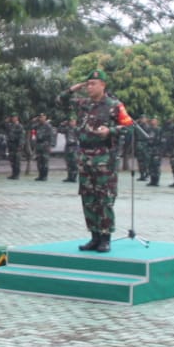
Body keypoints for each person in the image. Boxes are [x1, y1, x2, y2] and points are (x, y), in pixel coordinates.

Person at [69, 71, 133, 253]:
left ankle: (106, 238)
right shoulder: (83, 104)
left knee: (104, 198)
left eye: (93, 84)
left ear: (103, 85)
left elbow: (129, 128)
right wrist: (77, 87)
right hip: (85, 156)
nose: (89, 87)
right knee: (88, 198)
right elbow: (59, 100)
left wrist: (111, 131)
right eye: (87, 84)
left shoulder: (114, 105)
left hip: (104, 157)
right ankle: (94, 237)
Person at [30, 114, 56, 181]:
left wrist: (51, 145)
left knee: (45, 162)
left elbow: (52, 136)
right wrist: (33, 121)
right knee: (39, 162)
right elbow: (30, 128)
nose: (41, 118)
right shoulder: (37, 125)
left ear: (45, 117)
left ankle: (44, 176)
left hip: (45, 145)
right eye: (40, 117)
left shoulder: (48, 126)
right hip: (39, 145)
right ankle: (40, 176)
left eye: (42, 117)